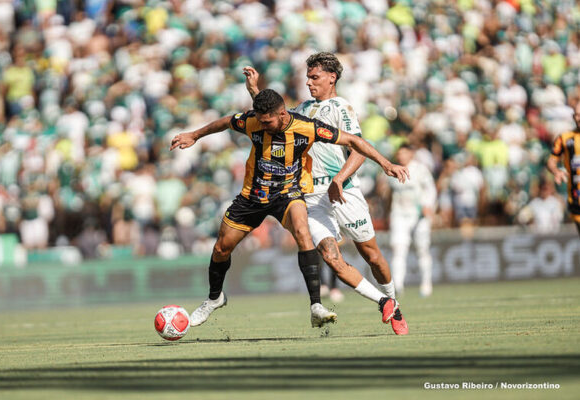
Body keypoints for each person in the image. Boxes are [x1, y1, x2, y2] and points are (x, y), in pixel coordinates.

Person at [170, 89, 409, 328]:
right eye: (260, 121)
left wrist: (386, 164)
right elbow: (226, 122)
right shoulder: (253, 120)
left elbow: (354, 141)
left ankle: (316, 305)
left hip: (288, 194)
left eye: (268, 121)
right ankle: (214, 299)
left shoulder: (307, 127)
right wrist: (195, 134)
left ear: (282, 114)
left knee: (303, 233)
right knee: (222, 249)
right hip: (253, 196)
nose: (263, 126)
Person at [243, 52, 409, 335]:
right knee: (331, 257)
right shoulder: (302, 107)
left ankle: (393, 300)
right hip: (311, 196)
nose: (308, 82)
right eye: (307, 77)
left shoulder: (340, 107)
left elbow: (357, 146)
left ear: (332, 78)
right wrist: (255, 91)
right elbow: (274, 117)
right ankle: (385, 304)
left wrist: (342, 178)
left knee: (371, 254)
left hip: (344, 192)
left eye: (314, 77)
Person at [387, 144, 437, 297]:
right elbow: (389, 194)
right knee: (398, 249)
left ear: (411, 154)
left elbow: (431, 189)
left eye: (404, 153)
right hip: (399, 214)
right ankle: (398, 285)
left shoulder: (420, 169)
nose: (401, 156)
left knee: (422, 249)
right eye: (399, 153)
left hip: (418, 214)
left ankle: (426, 283)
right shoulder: (392, 170)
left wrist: (428, 205)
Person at [547, 102, 580, 236]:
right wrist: (556, 171)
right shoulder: (565, 138)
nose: (578, 118)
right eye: (576, 115)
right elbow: (551, 160)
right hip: (576, 198)